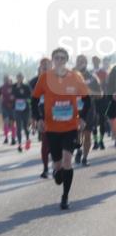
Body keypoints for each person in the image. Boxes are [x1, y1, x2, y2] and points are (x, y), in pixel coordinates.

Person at [32, 48, 91, 209]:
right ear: (53, 60)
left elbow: (87, 100)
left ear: (66, 60)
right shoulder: (45, 78)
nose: (59, 60)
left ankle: (65, 197)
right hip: (52, 128)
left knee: (67, 161)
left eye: (62, 58)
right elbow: (34, 100)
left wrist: (82, 118)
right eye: (56, 58)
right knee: (58, 166)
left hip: (70, 127)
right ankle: (57, 171)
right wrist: (39, 119)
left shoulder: (75, 77)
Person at [29, 57, 52, 178]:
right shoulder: (34, 82)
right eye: (43, 65)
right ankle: (46, 168)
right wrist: (35, 118)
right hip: (43, 115)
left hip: (57, 114)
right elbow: (33, 102)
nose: (45, 66)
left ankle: (57, 166)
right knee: (45, 142)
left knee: (56, 142)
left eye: (47, 64)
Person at [11, 73, 33, 152]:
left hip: (25, 108)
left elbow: (30, 95)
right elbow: (11, 95)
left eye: (21, 77)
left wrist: (26, 99)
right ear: (16, 78)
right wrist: (13, 97)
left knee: (25, 126)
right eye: (18, 77)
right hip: (17, 109)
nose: (19, 79)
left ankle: (27, 140)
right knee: (18, 127)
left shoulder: (26, 86)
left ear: (23, 78)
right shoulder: (14, 86)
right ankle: (19, 144)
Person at [0, 75, 15, 145]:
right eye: (5, 79)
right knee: (6, 121)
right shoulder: (1, 87)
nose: (6, 80)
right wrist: (1, 98)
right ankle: (6, 137)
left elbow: (16, 95)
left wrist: (13, 98)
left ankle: (13, 138)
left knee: (12, 122)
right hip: (4, 106)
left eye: (7, 79)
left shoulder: (13, 87)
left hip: (12, 106)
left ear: (10, 80)